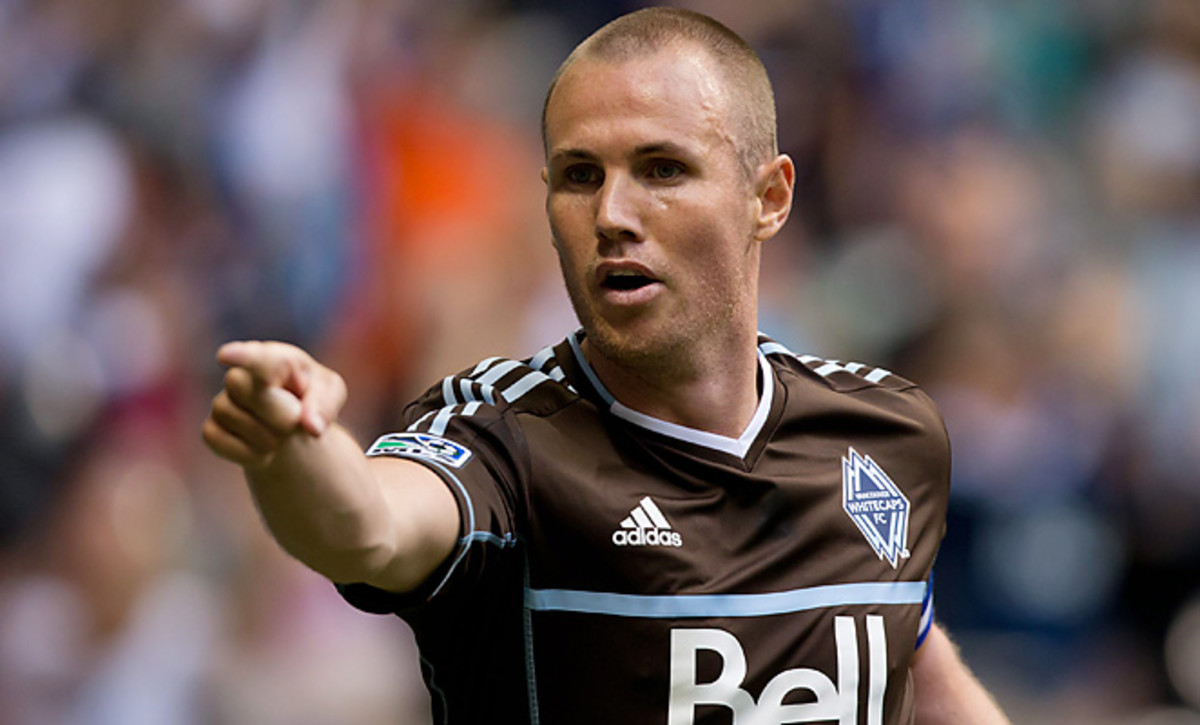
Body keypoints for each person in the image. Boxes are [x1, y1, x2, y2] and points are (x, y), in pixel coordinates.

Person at [203, 8, 1010, 724]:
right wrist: (293, 445)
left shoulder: (888, 433)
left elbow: (918, 661)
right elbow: (368, 528)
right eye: (581, 176)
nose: (613, 216)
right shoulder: (506, 438)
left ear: (768, 198)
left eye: (663, 169)